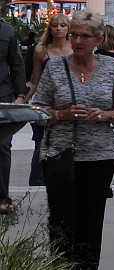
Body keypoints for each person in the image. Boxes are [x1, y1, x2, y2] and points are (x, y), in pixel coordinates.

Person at [32, 9, 114, 270]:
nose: (77, 41)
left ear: (99, 39)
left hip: (98, 157)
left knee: (90, 224)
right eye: (74, 35)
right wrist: (61, 115)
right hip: (61, 155)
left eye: (84, 36)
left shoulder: (112, 68)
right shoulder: (55, 68)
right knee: (62, 224)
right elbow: (38, 110)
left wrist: (107, 114)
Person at [23, 13, 73, 186]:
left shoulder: (75, 48)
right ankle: (37, 178)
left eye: (63, 25)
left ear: (68, 29)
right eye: (55, 25)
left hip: (69, 100)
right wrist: (24, 98)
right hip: (45, 101)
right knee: (41, 139)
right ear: (50, 29)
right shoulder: (41, 51)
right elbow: (35, 80)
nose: (59, 28)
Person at [0, 17, 27, 213]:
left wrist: (20, 95)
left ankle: (2, 197)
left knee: (2, 146)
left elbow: (16, 64)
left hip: (3, 97)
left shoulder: (7, 31)